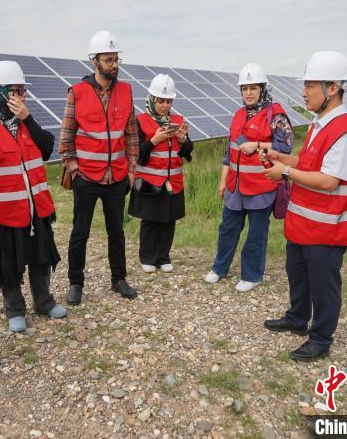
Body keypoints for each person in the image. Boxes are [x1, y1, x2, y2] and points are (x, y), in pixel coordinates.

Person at [262, 51, 347, 362]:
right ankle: (297, 318)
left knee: (323, 286)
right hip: (304, 224)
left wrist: (285, 172)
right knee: (297, 273)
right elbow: (310, 163)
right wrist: (283, 158)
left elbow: (329, 180)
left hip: (327, 228)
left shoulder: (344, 131)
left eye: (309, 85)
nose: (303, 92)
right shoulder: (320, 124)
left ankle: (320, 338)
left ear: (332, 88)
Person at [0, 60, 67, 332]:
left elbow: (47, 148)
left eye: (23, 90)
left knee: (41, 257)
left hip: (36, 208)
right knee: (8, 264)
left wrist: (27, 118)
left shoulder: (26, 122)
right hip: (6, 213)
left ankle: (44, 301)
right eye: (17, 90)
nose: (23, 95)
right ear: (0, 93)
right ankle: (14, 308)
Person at [59, 30, 139, 305]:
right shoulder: (77, 93)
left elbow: (131, 134)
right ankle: (75, 283)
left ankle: (119, 279)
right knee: (79, 232)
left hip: (116, 176)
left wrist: (131, 169)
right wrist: (75, 169)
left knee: (116, 232)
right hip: (86, 178)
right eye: (109, 60)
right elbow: (66, 138)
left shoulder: (126, 91)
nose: (114, 65)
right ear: (94, 61)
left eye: (116, 59)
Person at [204, 63, 293, 292]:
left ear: (263, 88)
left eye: (253, 88)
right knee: (227, 229)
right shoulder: (238, 114)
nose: (249, 93)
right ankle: (219, 268)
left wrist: (258, 144)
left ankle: (252, 275)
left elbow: (285, 147)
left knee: (256, 234)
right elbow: (229, 152)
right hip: (235, 186)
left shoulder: (276, 115)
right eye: (244, 88)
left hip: (262, 186)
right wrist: (223, 181)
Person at [128, 74, 193, 272]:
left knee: (168, 219)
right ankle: (147, 257)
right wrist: (154, 140)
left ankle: (164, 257)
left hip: (172, 182)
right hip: (149, 182)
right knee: (150, 220)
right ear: (152, 99)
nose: (165, 105)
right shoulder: (139, 121)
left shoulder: (178, 121)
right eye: (161, 101)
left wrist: (183, 139)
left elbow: (188, 152)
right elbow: (136, 155)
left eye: (168, 101)